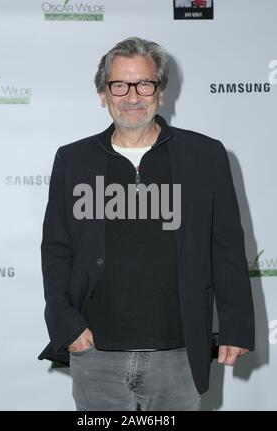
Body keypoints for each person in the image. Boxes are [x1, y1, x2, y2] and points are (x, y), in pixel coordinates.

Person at [38, 36, 255, 411]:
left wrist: (235, 326)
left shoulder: (205, 156)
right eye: (119, 85)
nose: (132, 96)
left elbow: (227, 249)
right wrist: (64, 323)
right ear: (103, 94)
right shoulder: (73, 160)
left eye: (145, 83)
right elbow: (56, 249)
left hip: (179, 354)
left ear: (161, 91)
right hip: (96, 352)